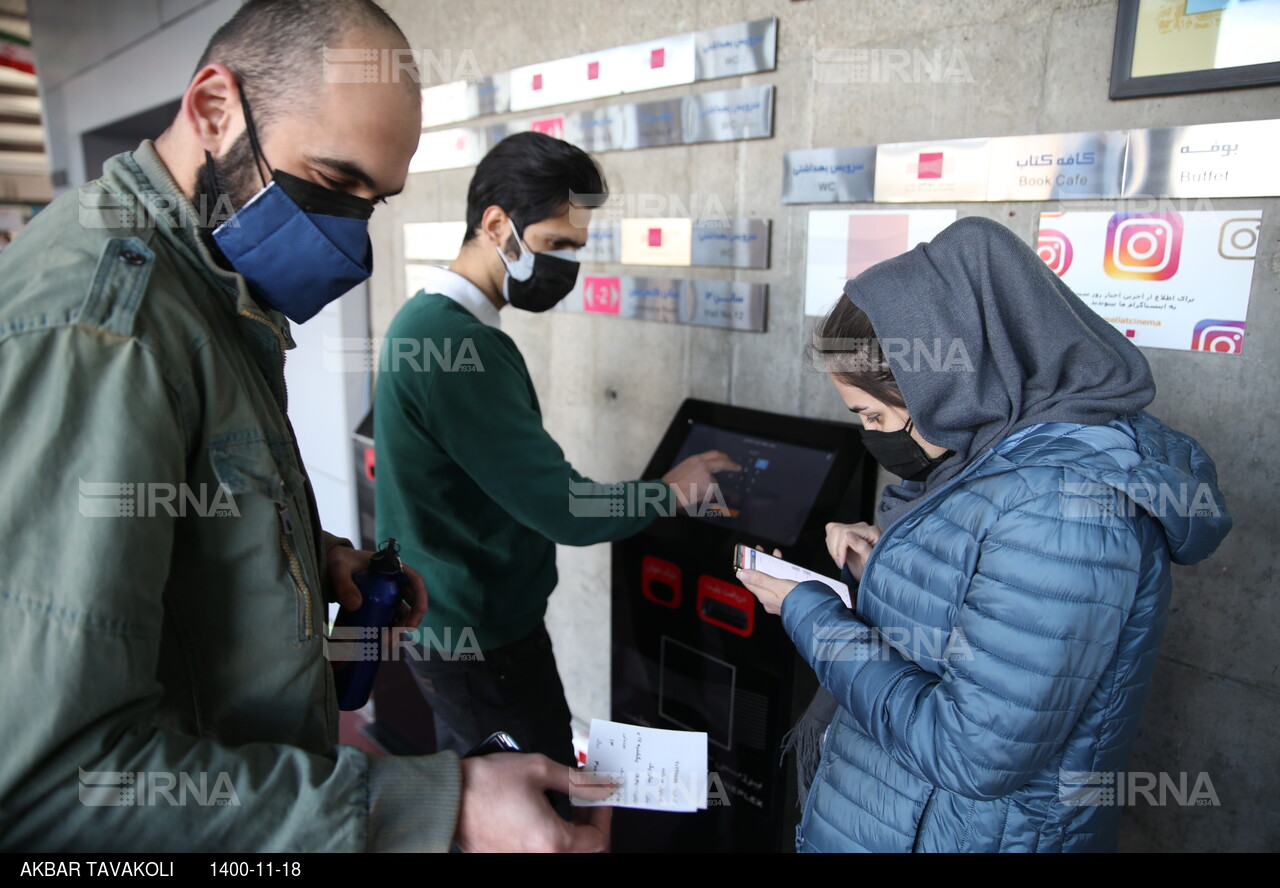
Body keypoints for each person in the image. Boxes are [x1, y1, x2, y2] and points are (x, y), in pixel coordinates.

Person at [0, 0, 611, 853]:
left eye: (375, 200)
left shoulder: (206, 287)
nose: (351, 236)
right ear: (215, 110)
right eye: (333, 182)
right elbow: (59, 786)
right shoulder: (108, 327)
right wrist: (436, 811)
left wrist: (302, 553)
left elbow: (163, 507)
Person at [736, 216, 1231, 852]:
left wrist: (810, 612)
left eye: (874, 416)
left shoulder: (1064, 511)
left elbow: (973, 755)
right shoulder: (998, 460)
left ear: (947, 385)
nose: (873, 437)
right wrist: (893, 568)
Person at [375, 131, 737, 769]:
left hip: (451, 630)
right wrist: (670, 490)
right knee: (535, 817)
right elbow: (564, 507)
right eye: (555, 244)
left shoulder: (429, 323)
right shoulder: (458, 347)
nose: (567, 264)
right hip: (481, 645)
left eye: (575, 249)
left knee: (475, 801)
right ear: (496, 225)